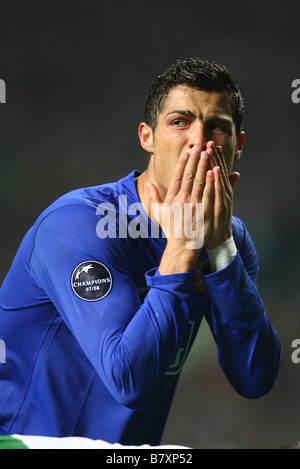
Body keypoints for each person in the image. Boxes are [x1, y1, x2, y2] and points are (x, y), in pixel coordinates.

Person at [0, 58, 282, 446]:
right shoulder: (79, 224)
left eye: (217, 127)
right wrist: (182, 248)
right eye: (180, 122)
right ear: (146, 137)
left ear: (238, 146)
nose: (199, 140)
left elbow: (255, 378)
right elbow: (128, 379)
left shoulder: (228, 241)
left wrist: (218, 249)